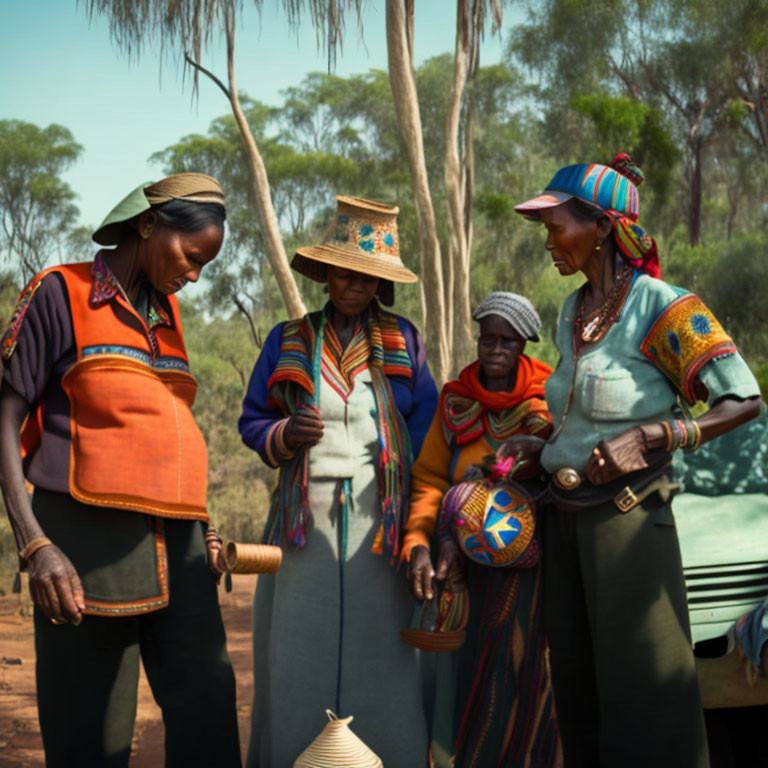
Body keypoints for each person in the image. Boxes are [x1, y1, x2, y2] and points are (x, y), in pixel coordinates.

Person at [509, 154, 762, 768]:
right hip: (563, 521)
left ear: (599, 226)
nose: (549, 242)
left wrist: (656, 434)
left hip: (628, 523)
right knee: (578, 688)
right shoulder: (572, 311)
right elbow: (579, 414)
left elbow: (744, 401)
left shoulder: (665, 307)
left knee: (643, 694)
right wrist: (541, 449)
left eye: (555, 226)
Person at [0, 173, 241, 767]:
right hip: (85, 550)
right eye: (192, 255)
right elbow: (4, 420)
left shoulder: (169, 319)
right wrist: (35, 546)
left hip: (180, 549)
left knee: (209, 708)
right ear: (148, 224)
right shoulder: (60, 293)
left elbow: (171, 433)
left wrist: (203, 526)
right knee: (92, 732)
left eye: (205, 264)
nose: (194, 274)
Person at [239, 195, 438, 767]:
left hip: (384, 523)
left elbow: (425, 433)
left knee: (387, 659)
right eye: (344, 271)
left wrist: (422, 525)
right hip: (303, 527)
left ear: (381, 283)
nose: (353, 284)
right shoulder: (288, 339)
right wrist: (287, 433)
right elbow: (253, 421)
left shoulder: (405, 342)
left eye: (367, 275)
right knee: (298, 656)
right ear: (326, 272)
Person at [404, 292, 560, 767]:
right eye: (486, 339)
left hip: (531, 570)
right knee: (462, 676)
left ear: (524, 345)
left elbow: (559, 474)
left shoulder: (549, 400)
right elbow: (430, 477)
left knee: (525, 673)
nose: (493, 349)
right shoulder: (456, 400)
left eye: (506, 341)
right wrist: (421, 543)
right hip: (463, 566)